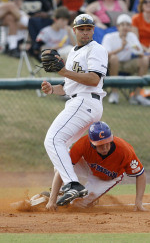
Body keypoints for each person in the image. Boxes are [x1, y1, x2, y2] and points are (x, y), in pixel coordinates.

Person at [41, 14, 108, 206]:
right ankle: (67, 185)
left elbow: (94, 79)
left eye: (88, 29)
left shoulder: (96, 49)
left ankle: (73, 184)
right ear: (74, 30)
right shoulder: (73, 52)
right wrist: (53, 89)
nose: (85, 32)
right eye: (81, 29)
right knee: (61, 146)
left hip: (86, 101)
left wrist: (63, 71)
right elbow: (69, 84)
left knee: (53, 139)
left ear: (93, 30)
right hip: (79, 102)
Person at [46, 121, 147, 211]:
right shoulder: (83, 144)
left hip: (107, 178)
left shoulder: (124, 150)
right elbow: (63, 167)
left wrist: (138, 202)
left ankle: (91, 199)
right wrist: (52, 200)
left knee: (77, 205)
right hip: (89, 167)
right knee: (62, 163)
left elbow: (140, 174)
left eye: (107, 143)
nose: (105, 148)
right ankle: (59, 192)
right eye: (100, 145)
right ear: (92, 144)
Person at [102, 13, 150, 106]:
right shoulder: (109, 37)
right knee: (114, 58)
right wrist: (121, 48)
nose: (125, 27)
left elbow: (140, 53)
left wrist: (135, 48)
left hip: (127, 64)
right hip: (111, 65)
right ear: (118, 27)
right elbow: (105, 55)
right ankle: (114, 92)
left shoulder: (131, 36)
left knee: (144, 60)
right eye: (122, 25)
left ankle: (137, 95)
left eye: (127, 25)